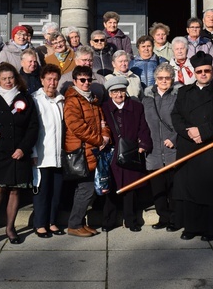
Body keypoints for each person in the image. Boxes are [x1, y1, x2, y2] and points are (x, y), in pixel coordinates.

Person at [171, 51, 213, 241]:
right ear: (194, 73)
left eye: (207, 71)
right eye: (199, 71)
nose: (204, 74)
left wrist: (203, 132)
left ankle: (211, 229)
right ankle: (191, 227)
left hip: (211, 146)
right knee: (189, 188)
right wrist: (189, 132)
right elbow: (176, 116)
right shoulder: (183, 92)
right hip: (189, 145)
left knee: (210, 190)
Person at [0, 63, 39, 246]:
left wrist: (24, 148)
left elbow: (33, 127)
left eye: (10, 78)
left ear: (16, 79)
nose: (7, 81)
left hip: (18, 152)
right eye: (3, 78)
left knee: (14, 191)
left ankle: (10, 228)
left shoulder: (25, 99)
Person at [64, 66, 111, 237]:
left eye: (89, 79)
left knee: (86, 189)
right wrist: (99, 140)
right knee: (86, 188)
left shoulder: (92, 100)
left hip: (93, 150)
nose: (86, 83)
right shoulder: (72, 101)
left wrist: (105, 137)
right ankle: (74, 225)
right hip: (81, 151)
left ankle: (79, 223)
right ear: (75, 81)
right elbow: (77, 127)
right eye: (82, 80)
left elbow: (103, 122)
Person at [101, 77, 153, 232]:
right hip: (111, 154)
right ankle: (108, 221)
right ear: (110, 94)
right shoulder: (103, 108)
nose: (119, 95)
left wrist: (143, 144)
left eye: (121, 91)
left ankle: (131, 221)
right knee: (110, 188)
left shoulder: (137, 107)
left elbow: (143, 127)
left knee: (130, 190)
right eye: (115, 92)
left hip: (130, 153)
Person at [142, 63, 181, 232]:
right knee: (157, 186)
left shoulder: (177, 97)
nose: (164, 81)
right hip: (153, 150)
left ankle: (174, 219)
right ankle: (163, 217)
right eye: (160, 78)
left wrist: (174, 138)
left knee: (172, 186)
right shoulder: (147, 99)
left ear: (172, 79)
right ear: (155, 80)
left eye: (167, 78)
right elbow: (142, 123)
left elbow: (183, 122)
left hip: (172, 149)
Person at [31, 64, 66, 238]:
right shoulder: (35, 99)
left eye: (55, 79)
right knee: (42, 192)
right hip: (41, 155)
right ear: (42, 80)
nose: (52, 83)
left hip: (58, 155)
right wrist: (33, 153)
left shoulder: (61, 99)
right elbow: (32, 129)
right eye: (49, 79)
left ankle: (52, 222)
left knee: (56, 192)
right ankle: (39, 224)